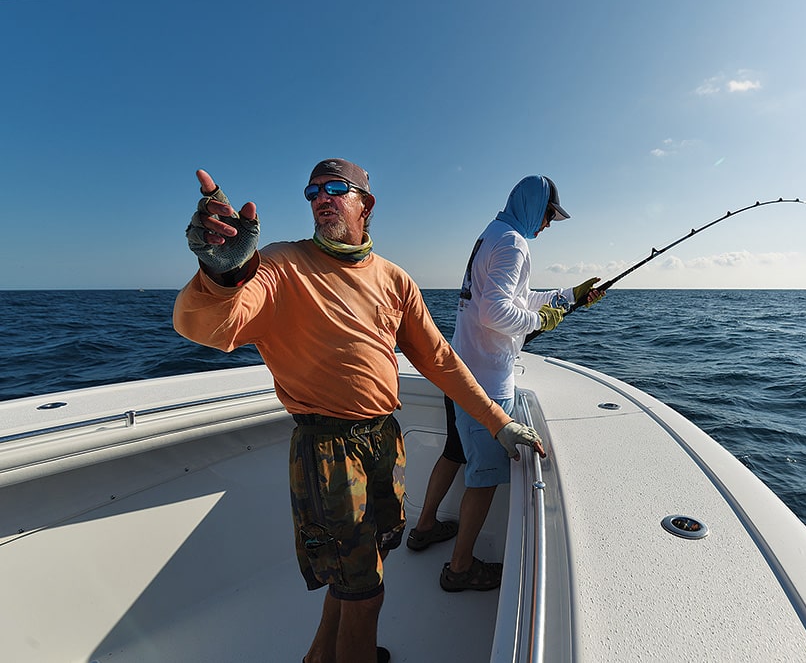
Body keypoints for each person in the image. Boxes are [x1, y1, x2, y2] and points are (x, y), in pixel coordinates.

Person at [173, 158, 546, 663]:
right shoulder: (280, 265)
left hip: (383, 441)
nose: (320, 198)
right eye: (311, 192)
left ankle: (320, 657)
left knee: (367, 563)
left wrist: (499, 423)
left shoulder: (395, 279)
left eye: (334, 188)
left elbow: (440, 359)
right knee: (365, 591)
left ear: (364, 203)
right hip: (326, 449)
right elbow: (208, 329)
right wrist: (223, 272)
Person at [405, 175, 602, 592]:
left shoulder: (492, 234)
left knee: (454, 452)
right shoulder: (514, 242)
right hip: (487, 382)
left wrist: (568, 297)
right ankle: (460, 569)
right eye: (549, 215)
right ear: (534, 205)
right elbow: (497, 312)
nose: (548, 225)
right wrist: (541, 321)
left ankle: (423, 528)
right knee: (485, 475)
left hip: (460, 369)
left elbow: (513, 298)